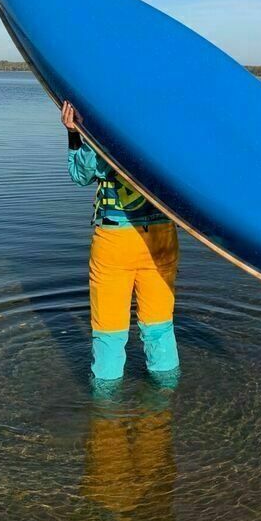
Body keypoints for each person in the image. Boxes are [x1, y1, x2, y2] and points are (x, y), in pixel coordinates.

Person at [61, 100, 180, 382]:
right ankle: (162, 410)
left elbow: (80, 175)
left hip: (115, 241)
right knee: (159, 327)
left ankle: (104, 415)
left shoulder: (107, 134)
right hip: (161, 239)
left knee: (109, 333)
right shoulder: (171, 139)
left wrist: (74, 132)